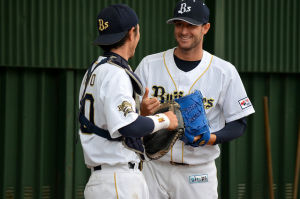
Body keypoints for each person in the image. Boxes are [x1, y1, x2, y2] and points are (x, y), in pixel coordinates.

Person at [135, 0, 255, 198]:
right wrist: (143, 112)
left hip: (198, 172)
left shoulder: (224, 71)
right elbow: (128, 116)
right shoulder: (149, 64)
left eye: (191, 25)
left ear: (206, 28)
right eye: (179, 24)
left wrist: (211, 139)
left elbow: (239, 123)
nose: (184, 31)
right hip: (153, 168)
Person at [78, 4, 178, 199]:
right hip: (118, 180)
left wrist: (140, 114)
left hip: (106, 179)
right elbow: (128, 127)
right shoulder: (116, 73)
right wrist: (165, 119)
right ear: (133, 32)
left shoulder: (95, 69)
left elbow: (112, 120)